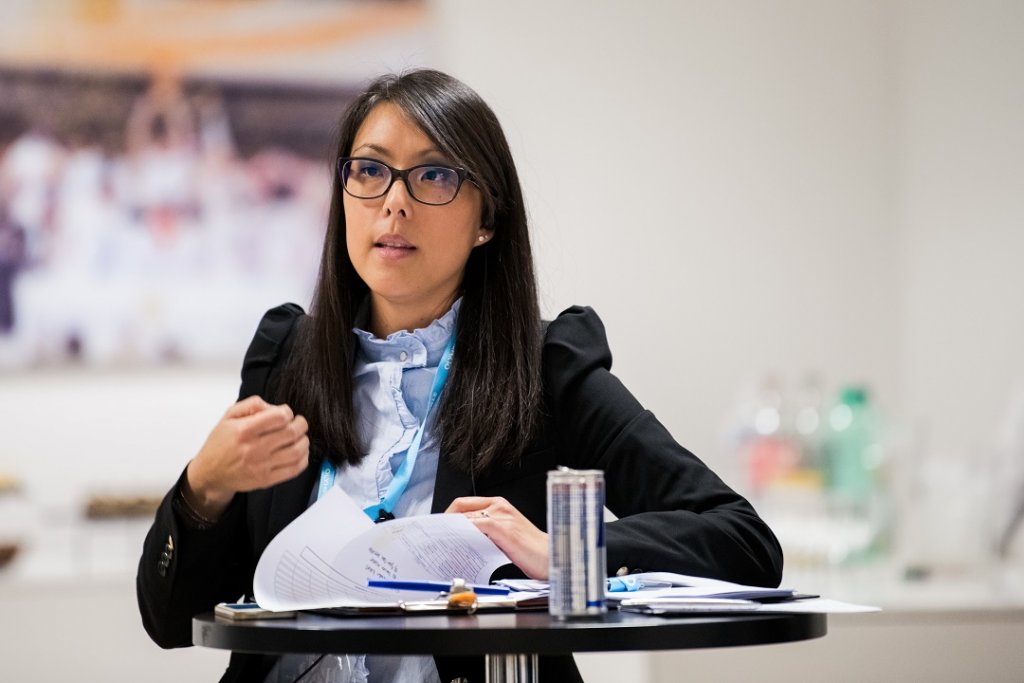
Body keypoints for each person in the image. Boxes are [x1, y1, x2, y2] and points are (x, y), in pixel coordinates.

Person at [137, 68, 783, 683]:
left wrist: (561, 549)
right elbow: (167, 621)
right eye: (369, 171)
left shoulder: (546, 366)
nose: (394, 202)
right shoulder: (287, 359)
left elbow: (741, 538)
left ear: (486, 219)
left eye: (434, 175)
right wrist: (203, 488)